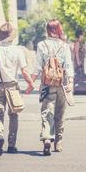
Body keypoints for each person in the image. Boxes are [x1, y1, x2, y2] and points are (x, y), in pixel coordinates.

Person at [0, 23, 34, 156]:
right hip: (13, 86)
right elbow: (24, 71)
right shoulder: (18, 51)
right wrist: (30, 84)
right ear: (11, 38)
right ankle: (11, 145)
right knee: (13, 115)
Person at [26, 19, 74, 156]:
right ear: (59, 30)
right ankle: (58, 142)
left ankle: (47, 137)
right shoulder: (64, 46)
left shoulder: (41, 45)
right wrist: (70, 82)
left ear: (47, 30)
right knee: (60, 113)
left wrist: (30, 83)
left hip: (47, 84)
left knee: (47, 113)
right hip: (62, 84)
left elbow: (37, 67)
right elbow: (68, 66)